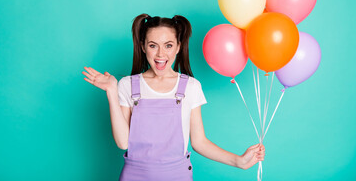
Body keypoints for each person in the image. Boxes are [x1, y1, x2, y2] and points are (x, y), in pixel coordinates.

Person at [82, 14, 265, 181]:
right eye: (153, 45)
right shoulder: (126, 85)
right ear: (143, 47)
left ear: (178, 46)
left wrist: (238, 161)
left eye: (168, 45)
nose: (161, 54)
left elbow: (199, 142)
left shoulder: (191, 87)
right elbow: (123, 142)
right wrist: (112, 92)